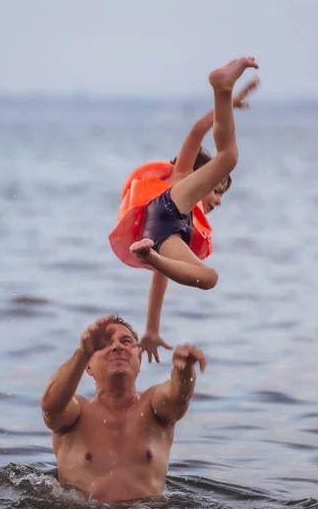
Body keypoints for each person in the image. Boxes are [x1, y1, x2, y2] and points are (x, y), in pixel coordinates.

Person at [109, 58, 260, 362]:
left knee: (208, 278)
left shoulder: (179, 229)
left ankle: (148, 255)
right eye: (216, 190)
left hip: (159, 238)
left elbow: (159, 280)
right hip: (164, 212)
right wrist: (225, 104)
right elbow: (196, 132)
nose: (217, 201)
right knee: (228, 157)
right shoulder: (181, 178)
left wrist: (151, 329)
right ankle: (221, 86)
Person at [41, 314, 206, 503]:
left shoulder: (153, 407)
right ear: (88, 366)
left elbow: (178, 396)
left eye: (126, 342)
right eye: (104, 344)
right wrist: (82, 351)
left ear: (139, 359)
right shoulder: (76, 411)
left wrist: (184, 370)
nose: (117, 346)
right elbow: (50, 407)